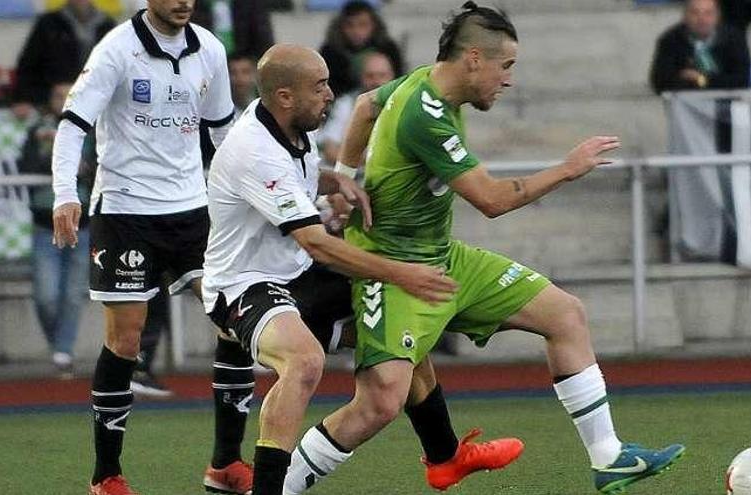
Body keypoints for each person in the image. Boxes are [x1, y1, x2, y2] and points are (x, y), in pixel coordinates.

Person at [285, 3, 685, 494]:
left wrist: (346, 179)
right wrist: (568, 167)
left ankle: (610, 457)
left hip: (443, 259)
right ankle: (276, 486)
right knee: (378, 405)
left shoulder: (424, 81)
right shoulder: (425, 115)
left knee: (565, 315)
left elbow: (367, 103)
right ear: (474, 59)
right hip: (393, 272)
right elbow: (493, 200)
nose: (508, 79)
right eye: (506, 65)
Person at [203, 42, 522, 495]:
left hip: (294, 278)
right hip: (243, 287)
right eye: (320, 86)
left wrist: (334, 180)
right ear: (285, 96)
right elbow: (316, 244)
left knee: (398, 329)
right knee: (304, 360)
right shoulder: (254, 148)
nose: (331, 95)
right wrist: (401, 273)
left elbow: (301, 179)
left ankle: (446, 456)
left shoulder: (288, 123)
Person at [49, 1, 250, 494]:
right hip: (125, 212)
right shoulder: (116, 49)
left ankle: (225, 464)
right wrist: (63, 195)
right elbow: (74, 123)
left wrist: (253, 194)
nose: (183, 1)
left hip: (191, 210)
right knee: (125, 340)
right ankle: (107, 476)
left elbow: (223, 130)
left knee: (237, 318)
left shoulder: (209, 49)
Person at [18, 81, 91, 378]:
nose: (63, 100)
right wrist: (54, 160)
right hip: (44, 223)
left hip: (81, 224)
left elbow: (102, 164)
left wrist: (87, 167)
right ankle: (60, 346)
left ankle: (62, 351)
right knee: (46, 295)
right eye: (58, 95)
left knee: (73, 293)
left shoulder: (92, 128)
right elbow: (24, 164)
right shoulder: (38, 130)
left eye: (68, 95)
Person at [12, 0, 116, 120]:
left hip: (98, 109)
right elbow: (27, 66)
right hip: (50, 108)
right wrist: (23, 99)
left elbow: (118, 70)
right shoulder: (48, 24)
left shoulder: (107, 25)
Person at [649, 0, 750, 94]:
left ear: (718, 16)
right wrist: (713, 81)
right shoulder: (670, 40)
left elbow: (742, 81)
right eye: (695, 13)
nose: (702, 19)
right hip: (685, 107)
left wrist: (701, 79)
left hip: (726, 105)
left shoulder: (734, 39)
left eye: (708, 13)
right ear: (685, 16)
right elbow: (659, 83)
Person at [318, 50, 395, 165]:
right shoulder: (345, 104)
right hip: (353, 174)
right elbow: (330, 150)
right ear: (360, 77)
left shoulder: (405, 103)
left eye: (382, 75)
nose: (377, 82)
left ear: (392, 76)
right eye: (370, 76)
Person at [319, 1, 404, 97]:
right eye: (350, 25)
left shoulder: (388, 49)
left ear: (374, 25)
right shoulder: (330, 53)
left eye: (363, 25)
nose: (356, 31)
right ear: (340, 27)